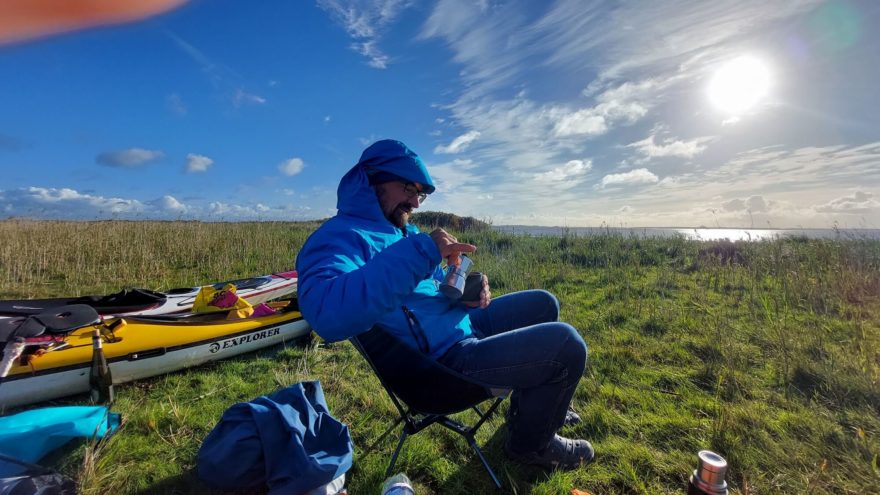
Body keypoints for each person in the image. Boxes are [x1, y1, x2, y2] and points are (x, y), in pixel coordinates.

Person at [295, 139, 594, 470]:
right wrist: (422, 251)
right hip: (441, 368)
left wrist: (466, 290)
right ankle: (531, 448)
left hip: (459, 329)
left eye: (420, 193)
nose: (415, 202)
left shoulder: (398, 231)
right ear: (372, 179)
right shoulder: (338, 238)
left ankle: (536, 412)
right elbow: (326, 314)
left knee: (543, 303)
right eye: (409, 187)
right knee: (566, 346)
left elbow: (431, 288)